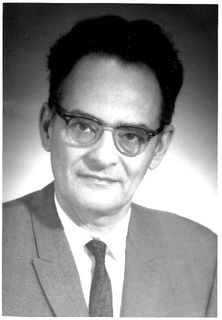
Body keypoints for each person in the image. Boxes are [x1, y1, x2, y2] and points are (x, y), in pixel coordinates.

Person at [3, 15, 217, 317]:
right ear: (47, 126)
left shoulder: (206, 256)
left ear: (159, 148)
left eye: (131, 135)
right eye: (82, 126)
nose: (102, 158)